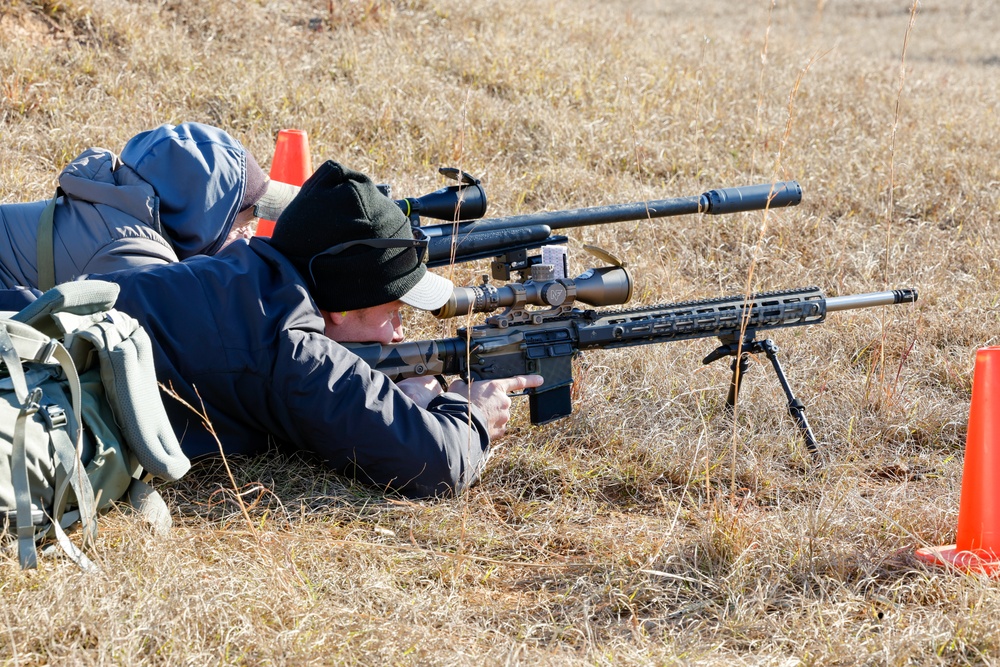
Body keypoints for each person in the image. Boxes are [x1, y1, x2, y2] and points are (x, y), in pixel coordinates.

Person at [90, 160, 543, 498]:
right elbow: (433, 465)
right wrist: (473, 413)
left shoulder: (249, 266)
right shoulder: (295, 351)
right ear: (341, 308)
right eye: (394, 312)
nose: (399, 334)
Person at [0, 122, 296, 290]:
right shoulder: (135, 256)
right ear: (202, 221)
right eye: (243, 223)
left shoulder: (117, 203)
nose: (250, 236)